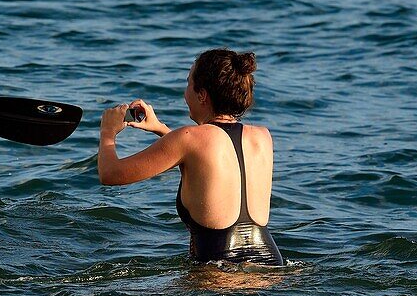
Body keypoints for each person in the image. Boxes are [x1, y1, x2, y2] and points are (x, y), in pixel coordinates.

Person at [98, 48, 284, 266]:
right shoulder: (262, 136)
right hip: (271, 268)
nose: (185, 94)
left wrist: (107, 133)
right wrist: (160, 129)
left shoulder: (188, 139)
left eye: (188, 84)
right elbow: (210, 162)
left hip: (217, 277)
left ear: (202, 94)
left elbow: (110, 173)